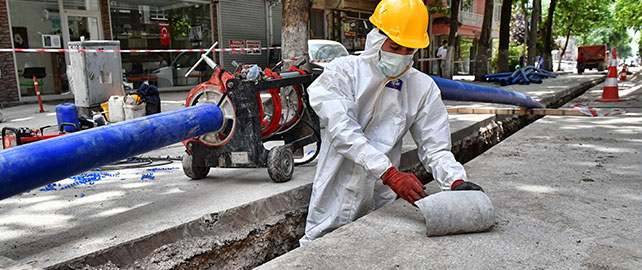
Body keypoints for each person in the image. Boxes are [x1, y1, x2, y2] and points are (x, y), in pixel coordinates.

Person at [300, 0, 483, 246]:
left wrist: (455, 181)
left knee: (373, 248)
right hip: (336, 187)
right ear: (376, 38)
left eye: (409, 50)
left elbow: (435, 147)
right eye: (395, 47)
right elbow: (344, 132)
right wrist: (390, 174)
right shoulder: (342, 73)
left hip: (380, 195)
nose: (402, 57)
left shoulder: (421, 87)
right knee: (318, 248)